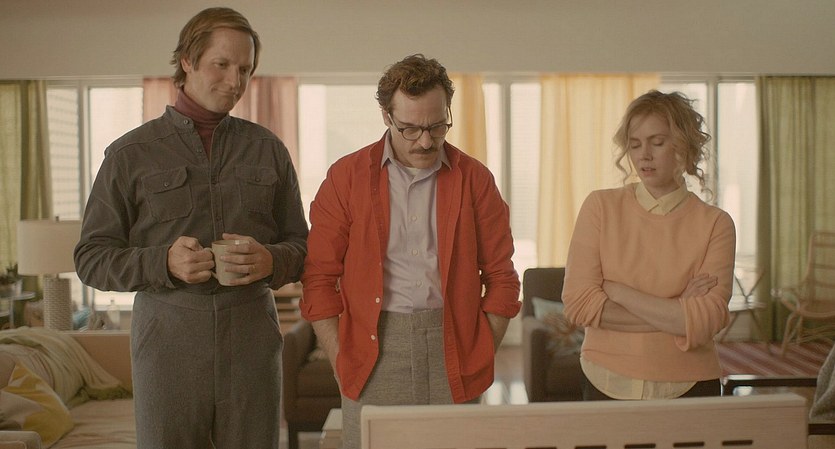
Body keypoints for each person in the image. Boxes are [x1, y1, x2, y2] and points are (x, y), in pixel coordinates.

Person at [73, 7, 307, 448]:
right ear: (187, 61)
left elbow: (302, 246)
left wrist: (272, 260)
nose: (235, 81)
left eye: (245, 69)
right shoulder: (129, 154)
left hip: (252, 343)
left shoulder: (269, 149)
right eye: (222, 64)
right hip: (167, 345)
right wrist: (162, 262)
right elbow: (91, 258)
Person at [300, 54, 521, 449]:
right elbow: (318, 279)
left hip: (454, 346)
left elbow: (502, 278)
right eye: (411, 128)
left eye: (437, 126)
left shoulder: (475, 179)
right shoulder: (346, 177)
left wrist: (483, 346)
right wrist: (339, 358)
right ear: (387, 116)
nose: (426, 141)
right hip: (372, 350)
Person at [561, 90, 736, 401]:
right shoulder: (600, 207)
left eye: (657, 142)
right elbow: (578, 304)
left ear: (684, 145)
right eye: (635, 144)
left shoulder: (716, 224)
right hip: (605, 379)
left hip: (691, 384)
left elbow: (707, 320)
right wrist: (678, 310)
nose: (644, 155)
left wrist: (618, 292)